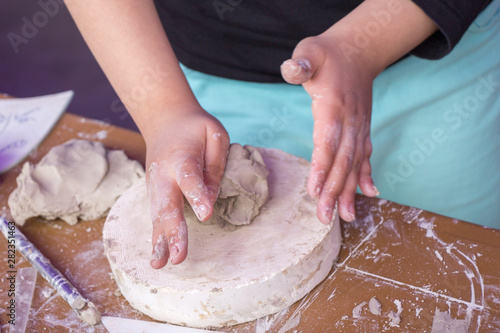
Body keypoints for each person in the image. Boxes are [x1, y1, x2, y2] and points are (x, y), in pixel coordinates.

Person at [65, 0, 499, 268]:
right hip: (201, 81)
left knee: (458, 267)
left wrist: (364, 45)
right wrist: (163, 110)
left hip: (435, 65)